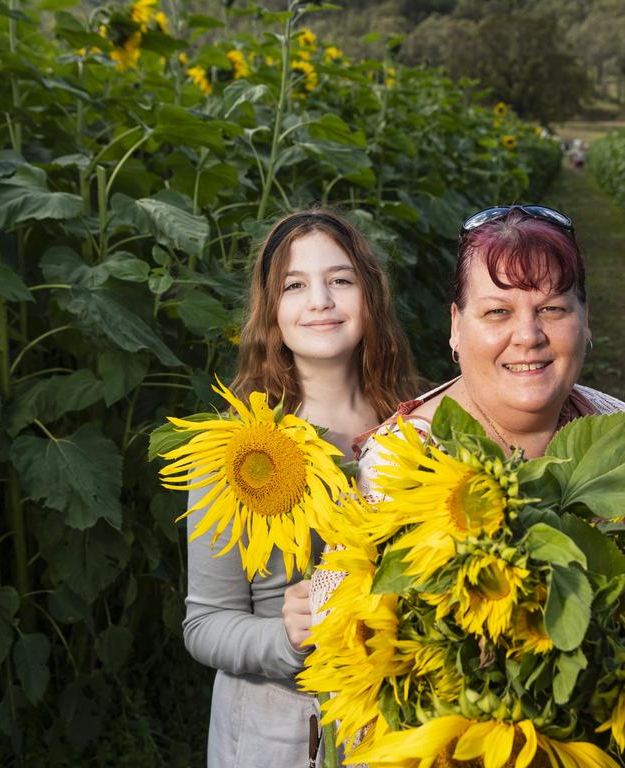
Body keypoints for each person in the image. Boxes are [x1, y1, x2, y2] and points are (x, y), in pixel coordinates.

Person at [325, 205, 625, 591]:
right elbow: (339, 623)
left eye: (552, 308)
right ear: (456, 326)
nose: (528, 336)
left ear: (585, 320)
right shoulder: (395, 469)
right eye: (498, 312)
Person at [182, 209, 419, 768]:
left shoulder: (423, 425)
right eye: (295, 285)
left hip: (400, 721)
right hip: (275, 734)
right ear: (271, 311)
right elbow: (204, 625)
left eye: (340, 279)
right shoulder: (237, 454)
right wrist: (285, 638)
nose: (320, 300)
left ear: (370, 295)